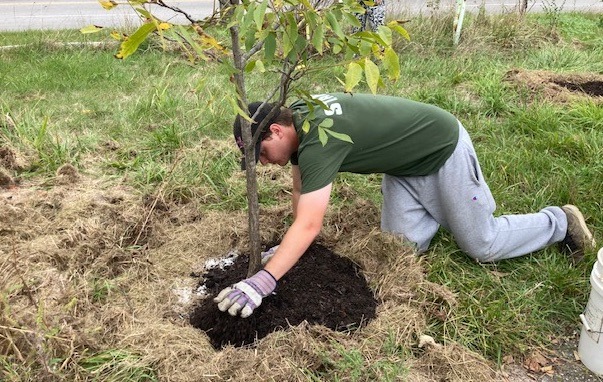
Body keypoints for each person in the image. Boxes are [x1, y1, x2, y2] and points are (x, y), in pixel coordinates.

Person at [214, 92, 597, 318]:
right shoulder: (302, 115)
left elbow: (311, 224)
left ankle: (559, 223)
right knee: (399, 250)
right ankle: (438, 208)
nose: (263, 164)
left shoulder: (319, 142)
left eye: (261, 153)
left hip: (439, 149)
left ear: (277, 131)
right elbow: (302, 195)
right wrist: (286, 248)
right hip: (402, 166)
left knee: (482, 244)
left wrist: (263, 281)